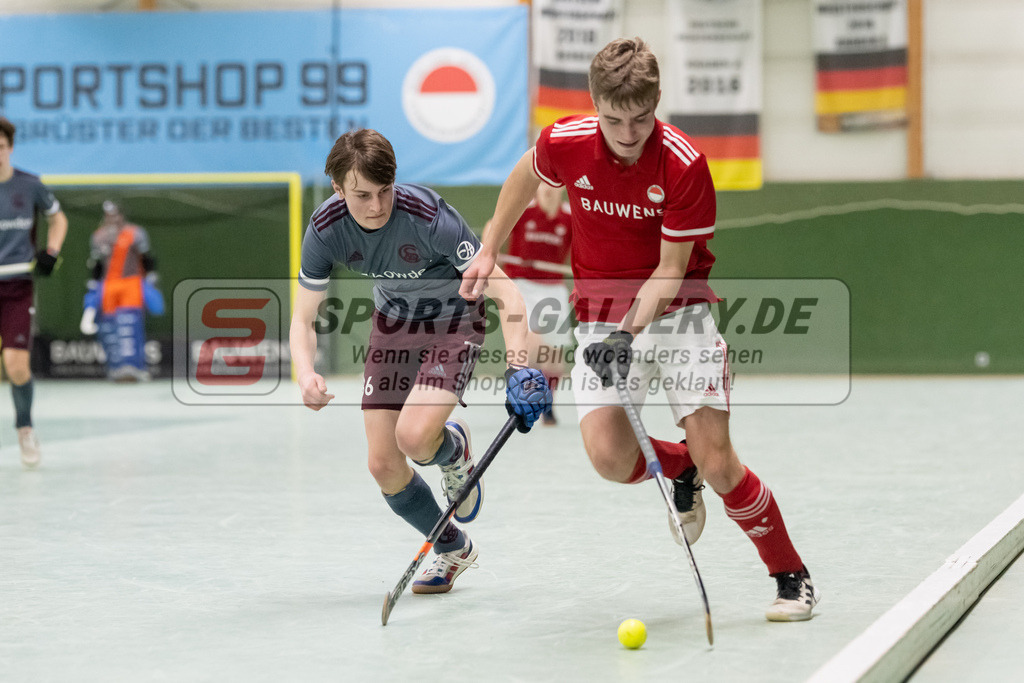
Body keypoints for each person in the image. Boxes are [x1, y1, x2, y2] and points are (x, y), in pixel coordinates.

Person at [460, 38, 820, 621]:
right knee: (608, 456)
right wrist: (489, 246)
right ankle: (680, 468)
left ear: (657, 103)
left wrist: (625, 335)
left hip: (678, 315)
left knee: (721, 462)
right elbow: (526, 174)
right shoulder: (566, 142)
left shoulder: (683, 164)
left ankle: (790, 575)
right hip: (601, 314)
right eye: (613, 119)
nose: (628, 133)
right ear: (594, 104)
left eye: (641, 119)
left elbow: (670, 270)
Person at [290, 129, 551, 595]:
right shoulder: (325, 229)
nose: (376, 205)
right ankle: (453, 547)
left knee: (413, 437)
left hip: (455, 321)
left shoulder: (429, 216)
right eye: (362, 195)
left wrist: (519, 367)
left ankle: (449, 451)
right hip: (393, 325)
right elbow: (303, 318)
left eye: (385, 191)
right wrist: (304, 371)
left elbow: (506, 290)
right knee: (382, 464)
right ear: (337, 188)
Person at [0, 116, 68, 469]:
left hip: (16, 287)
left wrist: (51, 252)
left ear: (10, 148)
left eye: (0, 147)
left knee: (16, 366)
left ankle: (25, 427)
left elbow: (58, 219)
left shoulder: (29, 186)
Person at [494, 182, 572, 425]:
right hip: (521, 285)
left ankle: (547, 408)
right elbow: (493, 226)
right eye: (542, 184)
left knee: (555, 359)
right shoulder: (524, 210)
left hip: (553, 290)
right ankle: (524, 401)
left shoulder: (570, 217)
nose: (547, 188)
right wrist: (491, 251)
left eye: (553, 184)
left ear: (562, 188)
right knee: (531, 344)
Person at [82, 200, 162, 382]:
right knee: (109, 326)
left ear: (122, 215)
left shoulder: (135, 233)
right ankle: (116, 367)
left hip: (131, 283)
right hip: (109, 285)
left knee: (130, 324)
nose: (112, 219)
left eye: (115, 214)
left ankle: (135, 367)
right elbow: (96, 265)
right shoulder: (98, 237)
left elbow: (147, 258)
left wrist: (151, 279)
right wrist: (93, 286)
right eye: (108, 215)